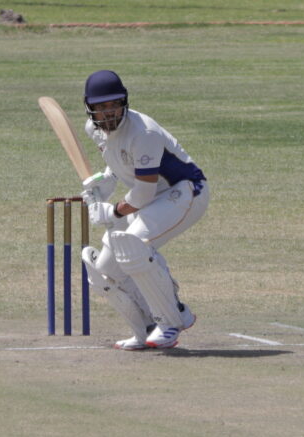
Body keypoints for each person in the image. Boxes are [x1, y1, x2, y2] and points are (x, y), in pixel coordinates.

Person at [78, 70, 209, 350]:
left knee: (133, 245)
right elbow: (119, 160)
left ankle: (172, 321)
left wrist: (112, 211)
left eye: (114, 104)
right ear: (90, 108)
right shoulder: (94, 129)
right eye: (101, 107)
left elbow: (143, 192)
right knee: (107, 268)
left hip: (183, 191)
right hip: (149, 197)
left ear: (124, 102)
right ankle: (148, 327)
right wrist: (104, 181)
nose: (109, 112)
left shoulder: (143, 133)